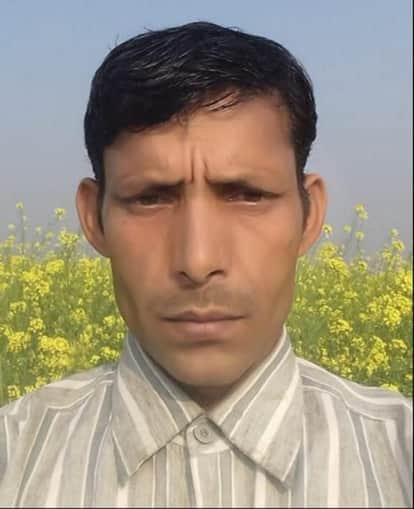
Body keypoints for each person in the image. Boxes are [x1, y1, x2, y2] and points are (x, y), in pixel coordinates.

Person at [0, 21, 411, 508]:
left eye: (247, 195)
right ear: (94, 218)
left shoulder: (399, 458)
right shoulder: (15, 458)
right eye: (150, 198)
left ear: (309, 216)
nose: (197, 262)